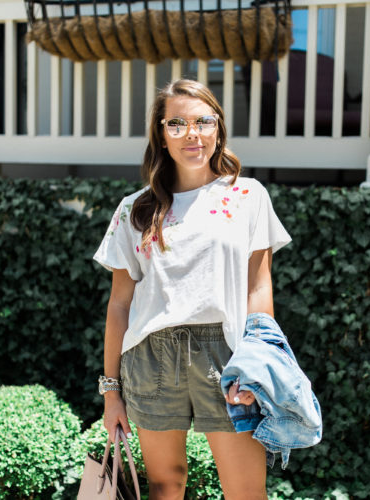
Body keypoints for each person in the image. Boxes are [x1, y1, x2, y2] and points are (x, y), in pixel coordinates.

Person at [93, 78, 291, 499]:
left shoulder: (247, 195)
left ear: (218, 128)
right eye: (177, 123)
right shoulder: (135, 208)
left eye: (203, 121)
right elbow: (120, 305)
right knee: (166, 488)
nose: (192, 134)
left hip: (227, 353)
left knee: (246, 492)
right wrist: (111, 393)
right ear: (161, 135)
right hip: (151, 357)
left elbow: (259, 287)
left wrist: (259, 362)